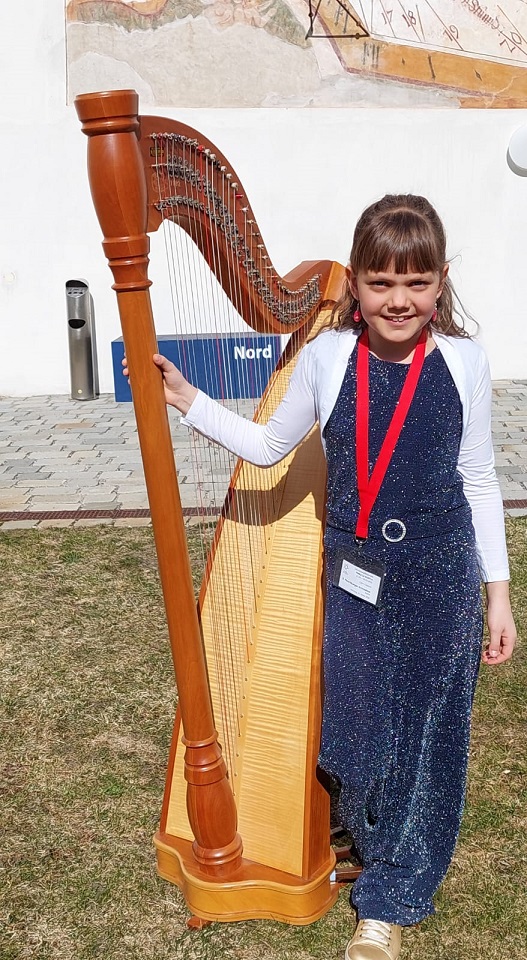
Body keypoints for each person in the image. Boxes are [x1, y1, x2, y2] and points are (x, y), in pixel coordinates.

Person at [123, 194, 516, 960]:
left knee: (427, 740)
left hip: (439, 572)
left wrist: (495, 595)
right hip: (354, 572)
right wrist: (188, 399)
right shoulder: (327, 357)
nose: (398, 301)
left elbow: (477, 478)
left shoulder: (463, 362)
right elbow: (269, 446)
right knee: (355, 731)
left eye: (416, 283)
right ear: (356, 287)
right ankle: (365, 826)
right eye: (379, 283)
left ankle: (389, 899)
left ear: (439, 284)